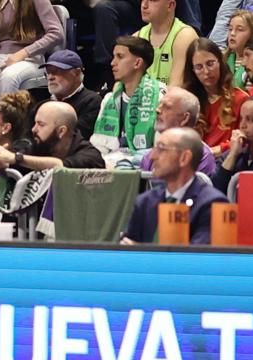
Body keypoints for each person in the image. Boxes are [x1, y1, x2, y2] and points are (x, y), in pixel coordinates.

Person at [122, 127, 226, 244]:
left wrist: (143, 253)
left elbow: (198, 257)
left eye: (161, 149)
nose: (152, 156)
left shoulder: (212, 204)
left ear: (184, 158)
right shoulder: (145, 202)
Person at [91, 35, 164, 167]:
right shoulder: (109, 99)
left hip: (145, 169)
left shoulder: (160, 97)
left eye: (120, 56)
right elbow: (98, 146)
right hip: (108, 168)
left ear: (137, 63)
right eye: (114, 57)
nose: (112, 62)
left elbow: (162, 148)